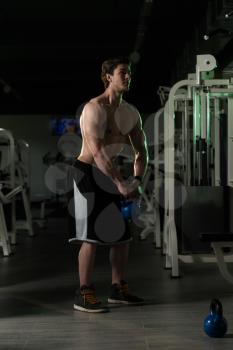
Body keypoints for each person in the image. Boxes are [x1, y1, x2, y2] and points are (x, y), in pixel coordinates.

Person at [69, 56, 148, 313]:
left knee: (121, 237)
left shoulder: (130, 112)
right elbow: (99, 152)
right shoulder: (94, 109)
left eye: (130, 73)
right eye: (123, 72)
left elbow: (141, 152)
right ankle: (85, 292)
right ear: (108, 77)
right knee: (91, 236)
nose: (128, 76)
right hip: (87, 172)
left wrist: (136, 180)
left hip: (112, 173)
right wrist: (120, 184)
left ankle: (118, 289)